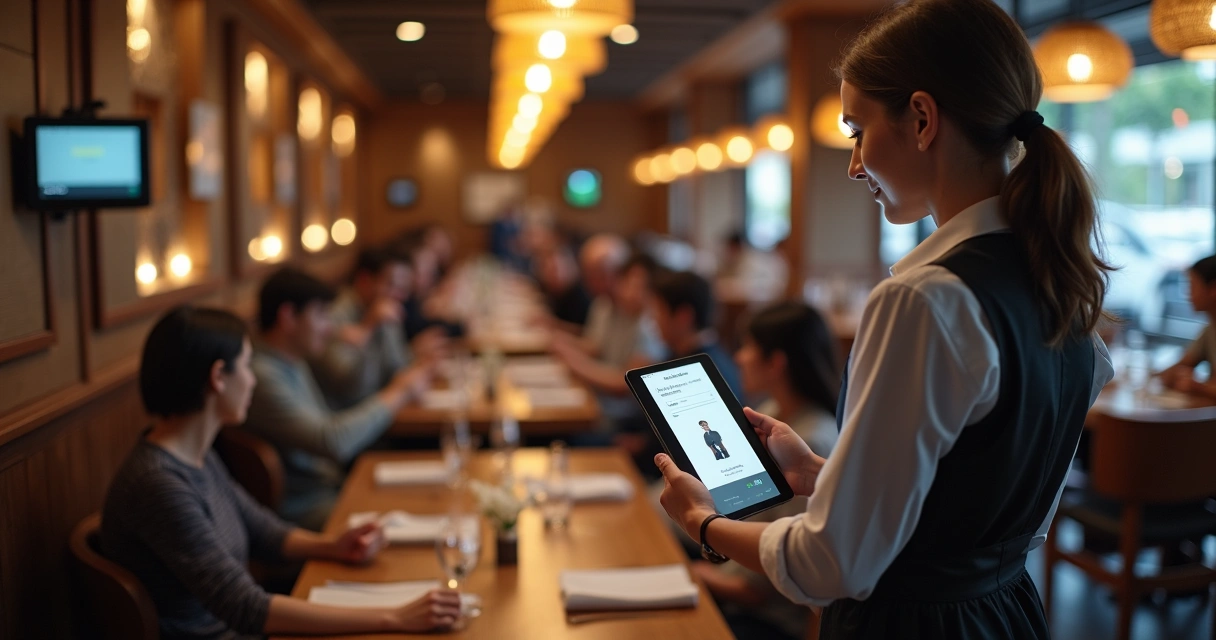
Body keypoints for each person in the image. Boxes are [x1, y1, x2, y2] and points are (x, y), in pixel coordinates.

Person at [652, 1, 1114, 638]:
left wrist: (703, 521)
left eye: (856, 130)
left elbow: (831, 565)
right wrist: (822, 474)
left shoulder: (925, 299)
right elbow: (993, 514)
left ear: (922, 119)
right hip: (1005, 616)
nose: (852, 163)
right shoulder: (1063, 287)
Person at [102, 306, 461, 640]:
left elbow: (263, 531)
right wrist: (394, 617)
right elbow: (246, 608)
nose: (253, 380)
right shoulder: (159, 483)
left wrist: (333, 546)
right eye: (245, 366)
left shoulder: (195, 455)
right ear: (217, 378)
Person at [691, 301, 843, 640]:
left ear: (776, 362)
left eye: (747, 347)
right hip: (734, 569)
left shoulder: (814, 439)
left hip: (768, 618)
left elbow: (769, 584)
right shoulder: (773, 411)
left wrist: (690, 569)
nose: (739, 357)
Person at [243, 268, 433, 530]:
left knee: (430, 503)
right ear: (287, 317)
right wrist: (399, 392)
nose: (328, 326)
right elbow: (332, 441)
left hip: (333, 487)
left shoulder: (292, 360)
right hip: (304, 512)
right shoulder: (260, 375)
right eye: (321, 315)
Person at [312, 248, 443, 410]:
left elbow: (396, 369)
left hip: (384, 415)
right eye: (392, 285)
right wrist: (369, 326)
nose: (399, 295)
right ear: (364, 281)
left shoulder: (383, 308)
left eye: (403, 288)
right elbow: (353, 390)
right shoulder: (330, 317)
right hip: (351, 420)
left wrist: (415, 355)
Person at [649, 270, 743, 398]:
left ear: (683, 316)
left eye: (659, 311)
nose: (653, 319)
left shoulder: (709, 373)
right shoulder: (681, 353)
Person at [1159, 255, 1216, 398]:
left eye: (1192, 285)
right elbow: (1182, 365)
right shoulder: (1210, 330)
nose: (1187, 294)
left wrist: (1199, 386)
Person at [535, 243, 592, 328]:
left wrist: (553, 324)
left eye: (555, 269)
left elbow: (585, 331)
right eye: (546, 269)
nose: (550, 275)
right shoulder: (556, 291)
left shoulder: (580, 295)